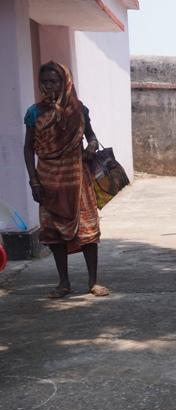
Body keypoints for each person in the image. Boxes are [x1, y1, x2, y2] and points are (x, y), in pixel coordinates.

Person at [22, 62, 108, 298]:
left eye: (55, 81)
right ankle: (63, 283)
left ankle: (93, 281)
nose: (50, 86)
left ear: (65, 83)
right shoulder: (34, 113)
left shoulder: (79, 110)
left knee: (88, 230)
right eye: (46, 82)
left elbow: (90, 136)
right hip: (48, 179)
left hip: (78, 178)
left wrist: (90, 146)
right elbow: (28, 149)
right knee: (54, 233)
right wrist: (33, 181)